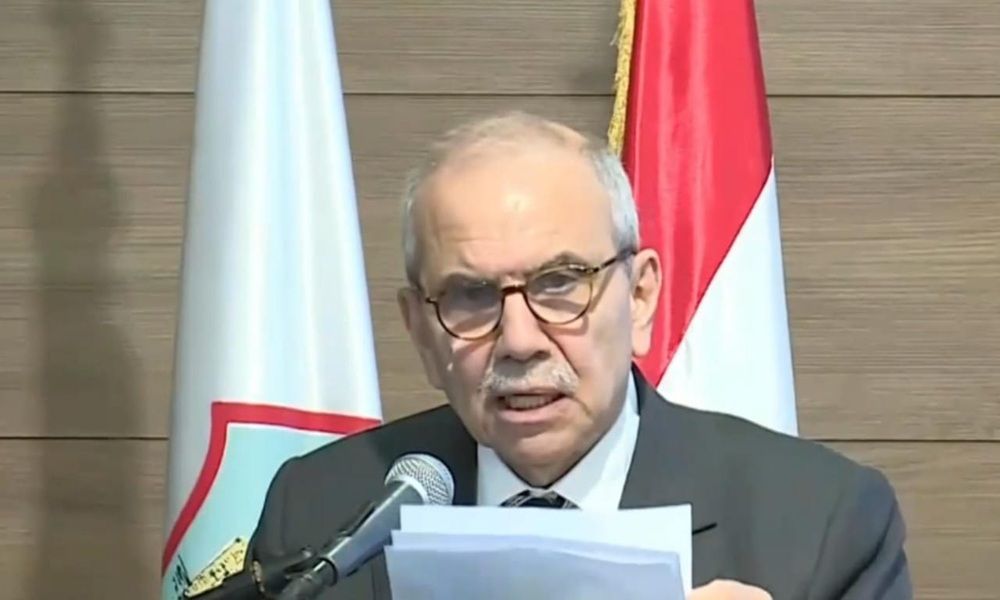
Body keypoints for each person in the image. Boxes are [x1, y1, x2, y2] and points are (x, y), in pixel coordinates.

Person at [246, 112, 912, 599]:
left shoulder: (821, 522)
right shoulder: (318, 512)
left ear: (641, 297)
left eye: (560, 283)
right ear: (420, 329)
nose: (520, 340)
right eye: (471, 295)